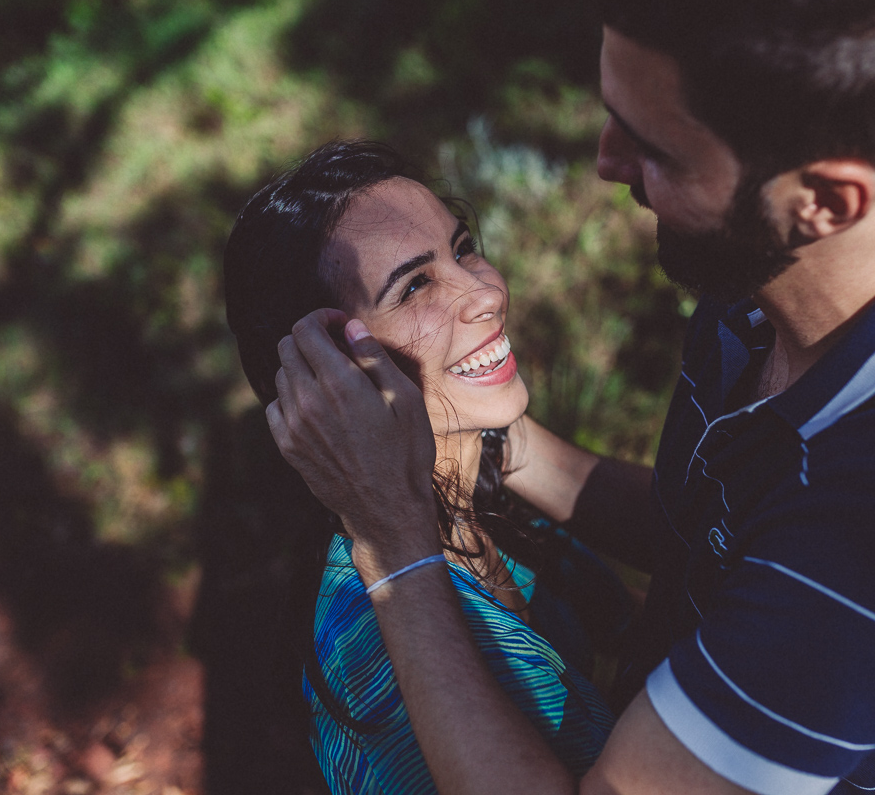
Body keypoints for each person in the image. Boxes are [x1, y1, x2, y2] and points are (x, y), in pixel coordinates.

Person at [265, 0, 875, 791]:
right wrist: (860, 672)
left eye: (658, 148)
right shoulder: (756, 288)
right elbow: (706, 525)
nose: (606, 163)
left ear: (823, 203)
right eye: (615, 116)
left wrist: (395, 550)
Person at [223, 141, 618, 793]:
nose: (486, 292)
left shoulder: (482, 488)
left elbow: (672, 577)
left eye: (462, 248)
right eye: (415, 286)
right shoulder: (373, 655)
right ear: (332, 375)